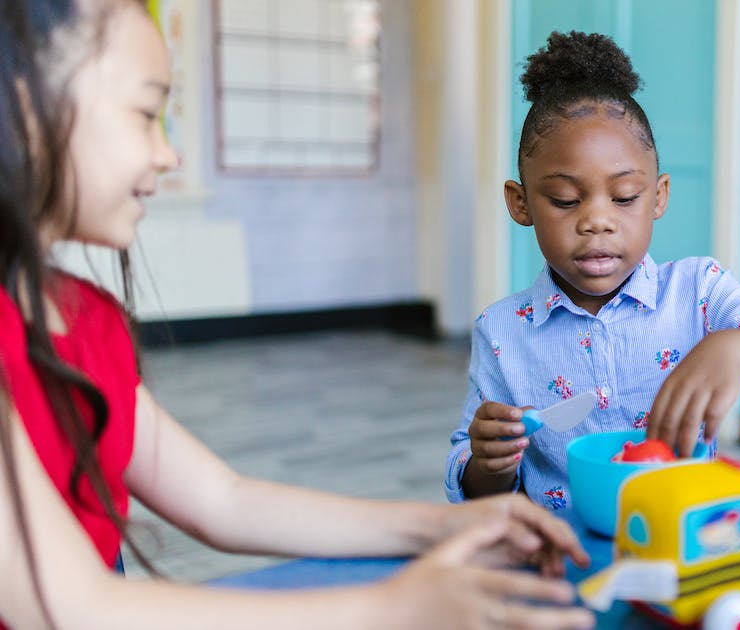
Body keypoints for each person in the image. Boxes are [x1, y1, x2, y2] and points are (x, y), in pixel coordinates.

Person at [0, 1, 595, 628]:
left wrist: (446, 524)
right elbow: (66, 605)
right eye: (147, 115)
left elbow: (222, 502)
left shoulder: (86, 320)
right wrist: (394, 608)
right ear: (25, 109)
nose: (167, 155)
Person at [444, 31, 740, 509]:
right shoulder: (501, 330)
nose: (596, 220)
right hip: (561, 555)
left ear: (658, 197)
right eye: (566, 200)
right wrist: (491, 460)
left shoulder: (699, 291)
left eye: (625, 197)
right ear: (521, 203)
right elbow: (474, 484)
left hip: (680, 543)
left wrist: (738, 345)